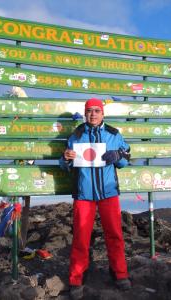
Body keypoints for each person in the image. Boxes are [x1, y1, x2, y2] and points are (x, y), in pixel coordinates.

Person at [59, 98, 132, 299]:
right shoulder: (76, 135)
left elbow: (127, 157)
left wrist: (118, 155)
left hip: (109, 193)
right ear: (85, 113)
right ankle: (77, 278)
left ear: (103, 113)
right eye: (89, 111)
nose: (93, 114)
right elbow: (64, 164)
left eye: (96, 111)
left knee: (115, 234)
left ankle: (120, 273)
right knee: (81, 237)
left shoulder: (114, 134)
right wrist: (65, 158)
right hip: (84, 194)